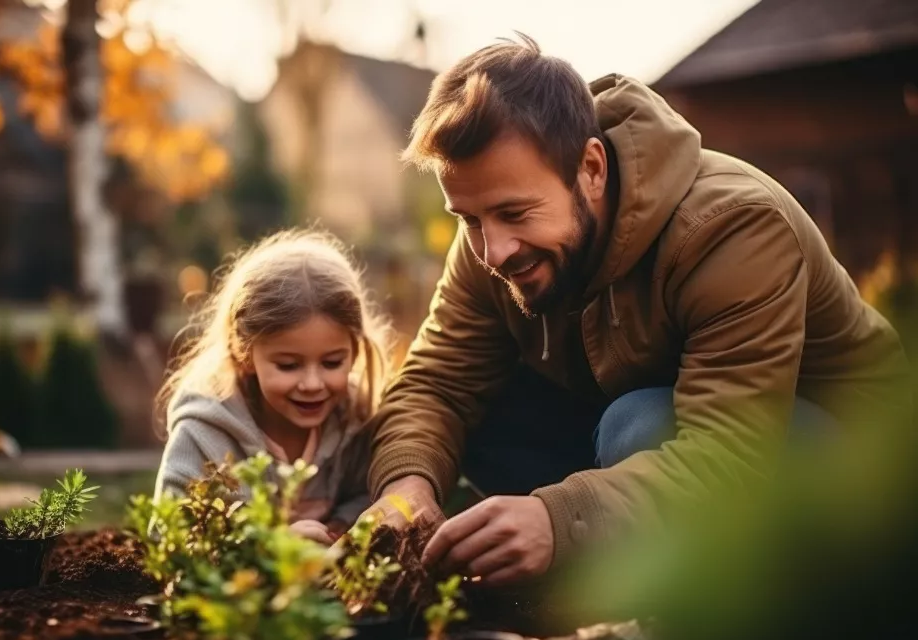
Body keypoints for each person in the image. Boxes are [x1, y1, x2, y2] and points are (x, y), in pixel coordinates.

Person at [362, 35, 911, 585]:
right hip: (659, 451)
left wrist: (560, 520)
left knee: (639, 425)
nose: (494, 250)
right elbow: (435, 385)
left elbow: (729, 453)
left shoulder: (734, 228)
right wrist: (405, 489)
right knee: (480, 418)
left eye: (514, 212)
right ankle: (597, 593)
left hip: (850, 470)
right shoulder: (492, 242)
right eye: (470, 219)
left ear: (591, 169)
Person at [153, 229, 392, 545]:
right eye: (289, 365)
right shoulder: (203, 433)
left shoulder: (355, 418)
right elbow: (169, 535)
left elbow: (366, 492)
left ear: (355, 351)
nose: (312, 384)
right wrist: (269, 546)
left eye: (332, 362)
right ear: (245, 355)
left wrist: (341, 526)